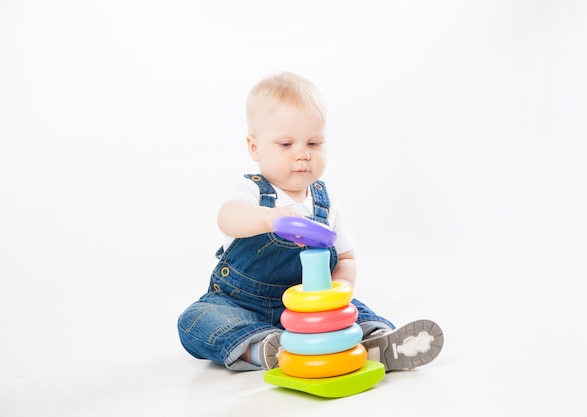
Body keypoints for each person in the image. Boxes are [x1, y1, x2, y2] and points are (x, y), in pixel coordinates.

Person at [177, 71, 444, 372]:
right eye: (286, 144)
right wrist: (269, 218)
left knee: (355, 312)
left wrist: (338, 292)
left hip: (309, 310)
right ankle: (263, 348)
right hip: (241, 305)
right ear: (254, 148)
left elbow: (346, 256)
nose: (302, 154)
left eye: (314, 143)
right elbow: (228, 218)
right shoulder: (252, 190)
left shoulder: (326, 203)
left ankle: (376, 342)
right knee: (195, 320)